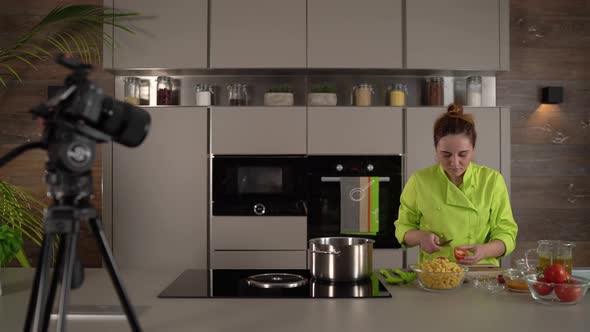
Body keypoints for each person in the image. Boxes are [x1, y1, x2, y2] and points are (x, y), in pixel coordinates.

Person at [394, 104, 517, 266]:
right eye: (446, 155)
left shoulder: (492, 181)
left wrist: (484, 251)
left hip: (481, 273)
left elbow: (507, 233)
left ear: (473, 149)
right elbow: (403, 228)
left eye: (463, 154)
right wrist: (421, 237)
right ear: (436, 150)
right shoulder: (420, 181)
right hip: (436, 272)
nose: (454, 163)